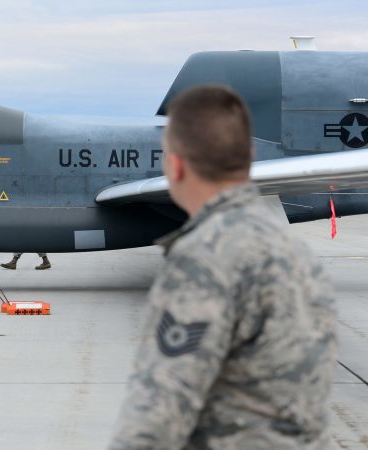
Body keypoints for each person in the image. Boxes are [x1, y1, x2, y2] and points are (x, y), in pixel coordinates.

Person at [109, 86, 337, 449]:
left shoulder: (204, 258)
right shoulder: (298, 253)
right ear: (247, 159)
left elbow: (159, 412)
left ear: (175, 164)